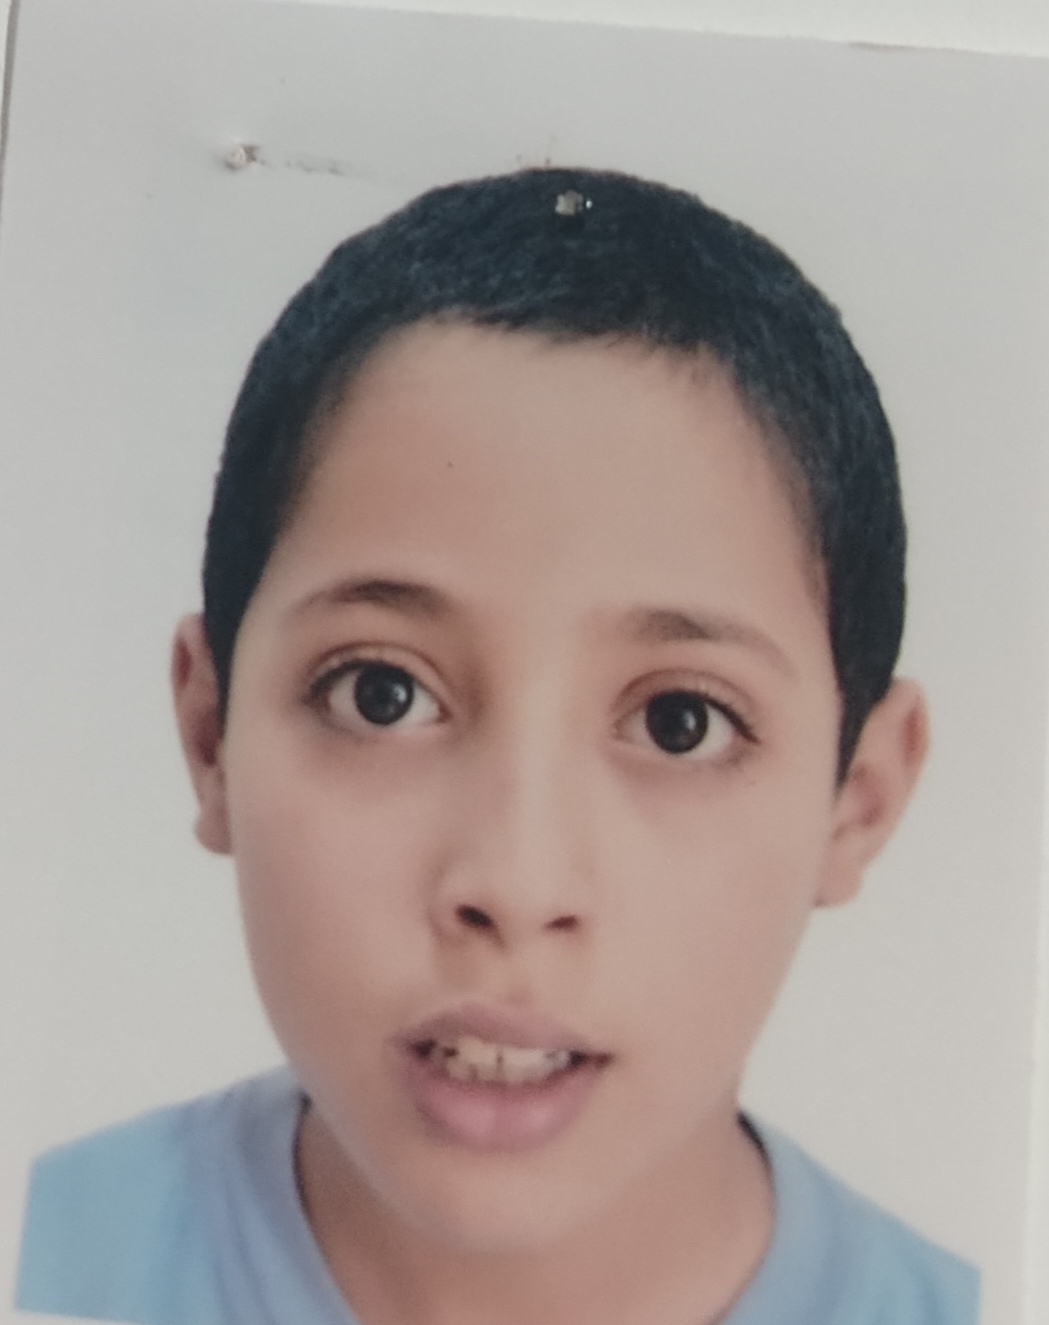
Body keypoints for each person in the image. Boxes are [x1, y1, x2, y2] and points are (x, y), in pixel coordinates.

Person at [15, 167, 979, 1325]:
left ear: (857, 797)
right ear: (209, 731)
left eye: (679, 721)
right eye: (380, 694)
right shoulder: (47, 1255)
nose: (515, 885)